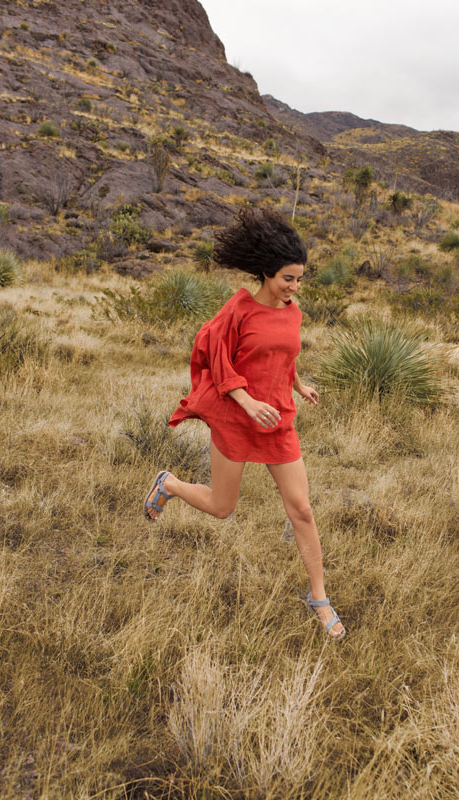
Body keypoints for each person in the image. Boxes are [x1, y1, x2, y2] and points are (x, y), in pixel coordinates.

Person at [143, 208, 345, 639]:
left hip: (278, 420)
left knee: (302, 509)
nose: (295, 287)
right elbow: (216, 359)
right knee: (223, 508)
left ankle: (319, 597)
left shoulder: (293, 311)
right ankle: (170, 485)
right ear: (267, 273)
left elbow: (282, 355)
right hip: (237, 417)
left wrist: (299, 384)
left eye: (300, 279)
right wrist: (246, 400)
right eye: (288, 278)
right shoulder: (237, 310)